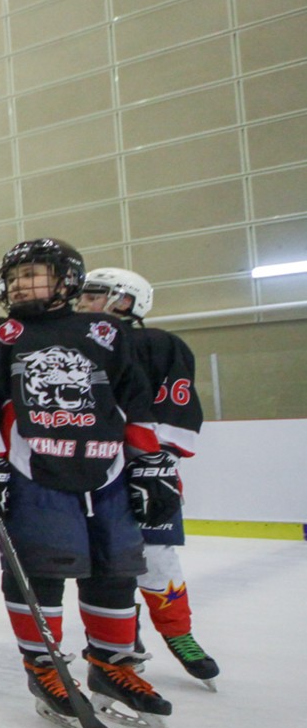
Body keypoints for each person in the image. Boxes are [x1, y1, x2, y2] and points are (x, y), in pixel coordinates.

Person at [0, 238, 179, 728]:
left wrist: (150, 463)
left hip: (107, 470)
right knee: (42, 568)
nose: (20, 284)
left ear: (67, 281)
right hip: (34, 471)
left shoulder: (105, 331)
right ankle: (44, 668)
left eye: (32, 274)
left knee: (116, 567)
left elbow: (133, 400)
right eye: (14, 277)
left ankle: (111, 666)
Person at [77, 267, 218, 686]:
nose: (82, 301)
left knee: (156, 556)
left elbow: (177, 404)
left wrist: (160, 460)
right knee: (104, 562)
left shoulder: (158, 343)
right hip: (89, 470)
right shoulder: (71, 342)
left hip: (144, 468)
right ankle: (123, 640)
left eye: (93, 294)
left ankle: (179, 632)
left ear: (126, 300)